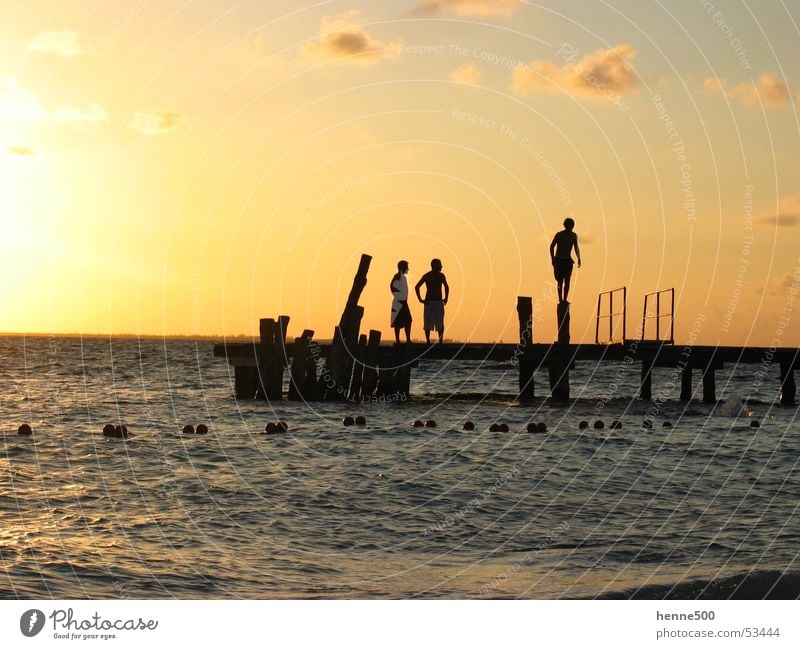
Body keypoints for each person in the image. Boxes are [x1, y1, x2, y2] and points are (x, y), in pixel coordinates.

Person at [415, 258, 450, 344]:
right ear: (434, 266)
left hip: (438, 302)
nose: (441, 267)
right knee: (427, 322)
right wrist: (420, 299)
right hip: (429, 302)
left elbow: (446, 286)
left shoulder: (441, 276)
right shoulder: (427, 276)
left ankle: (440, 341)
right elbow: (417, 287)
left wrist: (446, 299)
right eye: (439, 265)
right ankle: (428, 341)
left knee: (440, 323)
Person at [549, 218, 581, 303]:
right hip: (559, 260)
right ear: (565, 225)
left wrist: (579, 259)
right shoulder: (559, 235)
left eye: (571, 226)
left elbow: (576, 248)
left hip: (567, 261)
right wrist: (552, 259)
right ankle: (560, 299)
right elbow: (552, 246)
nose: (570, 228)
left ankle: (565, 299)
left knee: (567, 280)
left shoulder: (574, 236)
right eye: (569, 226)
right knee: (560, 281)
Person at [390, 260, 412, 343]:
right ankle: (399, 340)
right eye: (406, 267)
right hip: (399, 302)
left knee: (407, 320)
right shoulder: (397, 276)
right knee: (398, 322)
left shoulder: (403, 277)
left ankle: (407, 339)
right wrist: (398, 296)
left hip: (403, 302)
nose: (408, 269)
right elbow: (392, 286)